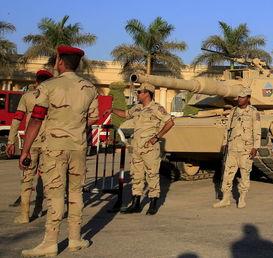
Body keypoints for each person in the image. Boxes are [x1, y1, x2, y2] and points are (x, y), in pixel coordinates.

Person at [19, 45, 98, 256]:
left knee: (54, 194)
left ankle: (50, 242)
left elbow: (36, 119)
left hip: (54, 148)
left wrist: (25, 150)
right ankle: (74, 239)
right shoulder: (90, 88)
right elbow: (94, 118)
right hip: (78, 148)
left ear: (60, 62)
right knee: (75, 193)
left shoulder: (49, 87)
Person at [108, 82, 174, 215]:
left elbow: (170, 122)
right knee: (136, 175)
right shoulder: (137, 108)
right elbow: (125, 114)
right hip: (137, 147)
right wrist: (112, 110)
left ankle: (153, 203)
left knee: (152, 174)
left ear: (147, 93)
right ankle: (136, 204)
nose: (137, 94)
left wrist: (157, 137)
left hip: (149, 148)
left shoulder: (156, 108)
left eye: (139, 92)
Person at [7, 69, 53, 224]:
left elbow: (17, 118)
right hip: (49, 143)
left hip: (30, 142)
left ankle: (24, 214)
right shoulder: (53, 97)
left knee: (27, 178)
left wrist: (10, 141)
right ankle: (38, 209)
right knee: (44, 178)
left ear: (36, 81)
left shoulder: (27, 97)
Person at [213, 87, 261, 209]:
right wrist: (224, 143)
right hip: (232, 149)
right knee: (227, 174)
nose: (240, 99)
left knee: (245, 174)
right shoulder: (233, 111)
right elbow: (227, 129)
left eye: (243, 97)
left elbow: (257, 131)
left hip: (246, 149)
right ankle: (225, 199)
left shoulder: (253, 112)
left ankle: (242, 198)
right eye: (239, 97)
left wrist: (256, 147)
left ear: (248, 98)